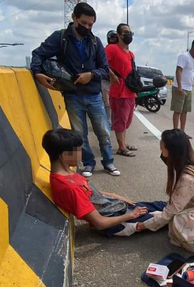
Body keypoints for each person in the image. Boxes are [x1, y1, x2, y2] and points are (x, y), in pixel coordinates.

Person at [31, 2, 120, 177]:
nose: (87, 27)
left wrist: (91, 75)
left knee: (103, 131)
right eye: (84, 23)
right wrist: (37, 73)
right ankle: (88, 163)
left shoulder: (95, 42)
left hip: (94, 95)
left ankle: (108, 162)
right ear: (74, 18)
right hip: (72, 95)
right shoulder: (60, 37)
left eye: (91, 24)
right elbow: (38, 54)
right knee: (79, 134)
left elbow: (104, 68)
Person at [42, 128, 149, 231]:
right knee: (158, 217)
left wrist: (115, 196)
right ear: (65, 155)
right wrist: (131, 215)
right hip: (111, 220)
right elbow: (100, 223)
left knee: (159, 207)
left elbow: (88, 192)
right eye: (78, 151)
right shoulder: (70, 187)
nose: (81, 154)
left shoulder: (68, 175)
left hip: (112, 206)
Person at [106, 23, 138, 157]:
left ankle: (123, 143)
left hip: (130, 91)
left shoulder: (131, 54)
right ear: (118, 35)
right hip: (119, 91)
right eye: (125, 32)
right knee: (120, 120)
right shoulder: (111, 48)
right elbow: (100, 62)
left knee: (127, 120)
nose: (128, 35)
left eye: (130, 32)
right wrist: (111, 75)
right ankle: (121, 147)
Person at [171, 38, 194, 139]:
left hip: (189, 89)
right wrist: (180, 87)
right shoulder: (184, 56)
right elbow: (178, 71)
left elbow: (193, 74)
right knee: (177, 110)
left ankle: (182, 132)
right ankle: (175, 132)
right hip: (180, 88)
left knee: (185, 111)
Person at [102, 30, 118, 123]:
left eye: (115, 37)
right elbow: (103, 64)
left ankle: (114, 121)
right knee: (107, 103)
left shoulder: (120, 50)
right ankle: (108, 121)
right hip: (106, 80)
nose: (114, 39)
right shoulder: (107, 49)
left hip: (117, 81)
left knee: (115, 103)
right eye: (112, 38)